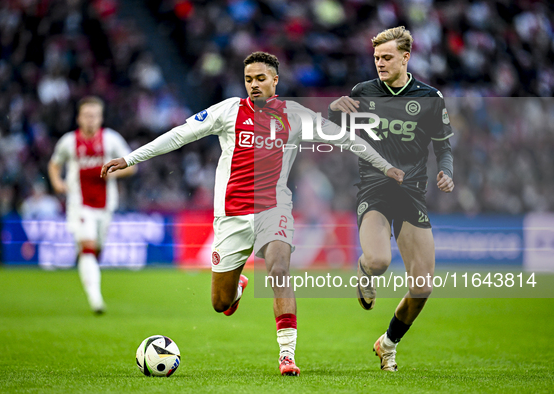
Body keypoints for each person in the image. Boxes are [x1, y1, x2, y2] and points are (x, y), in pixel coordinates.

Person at [101, 52, 404, 375]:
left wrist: (385, 166)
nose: (254, 85)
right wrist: (131, 158)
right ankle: (238, 287)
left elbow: (346, 139)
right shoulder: (229, 110)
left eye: (261, 78)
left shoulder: (295, 115)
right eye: (249, 79)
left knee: (279, 270)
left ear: (275, 80)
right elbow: (179, 134)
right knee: (221, 303)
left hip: (273, 209)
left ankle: (286, 355)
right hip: (231, 217)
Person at [328, 26, 455, 371]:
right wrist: (334, 110)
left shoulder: (430, 97)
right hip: (375, 189)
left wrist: (447, 171)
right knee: (380, 261)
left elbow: (443, 146)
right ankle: (365, 270)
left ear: (405, 57)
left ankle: (388, 343)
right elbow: (333, 127)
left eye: (386, 57)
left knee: (423, 286)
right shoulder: (364, 91)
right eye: (376, 58)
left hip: (412, 193)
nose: (380, 63)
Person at [48, 96, 136, 314]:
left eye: (94, 115)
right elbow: (54, 164)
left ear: (101, 118)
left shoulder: (111, 139)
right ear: (79, 118)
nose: (90, 119)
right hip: (79, 204)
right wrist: (57, 182)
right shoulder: (69, 141)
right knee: (88, 247)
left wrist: (115, 171)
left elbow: (132, 166)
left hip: (106, 205)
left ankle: (86, 263)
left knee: (96, 249)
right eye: (87, 115)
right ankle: (96, 300)